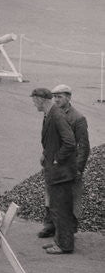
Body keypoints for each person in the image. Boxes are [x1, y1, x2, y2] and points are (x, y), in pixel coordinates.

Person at [29, 87, 77, 254]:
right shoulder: (50, 114)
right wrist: (46, 154)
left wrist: (57, 158)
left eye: (34, 100)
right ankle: (59, 240)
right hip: (56, 171)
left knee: (61, 209)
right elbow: (53, 140)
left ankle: (65, 245)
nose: (33, 104)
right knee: (57, 208)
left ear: (41, 100)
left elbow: (70, 142)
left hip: (60, 173)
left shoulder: (56, 116)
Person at [49, 84, 90, 230]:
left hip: (69, 166)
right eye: (54, 97)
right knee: (52, 196)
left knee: (70, 199)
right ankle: (51, 227)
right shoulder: (52, 113)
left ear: (68, 97)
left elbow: (84, 146)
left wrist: (78, 169)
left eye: (59, 97)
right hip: (55, 164)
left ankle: (68, 232)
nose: (56, 100)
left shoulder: (78, 118)